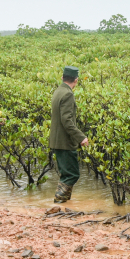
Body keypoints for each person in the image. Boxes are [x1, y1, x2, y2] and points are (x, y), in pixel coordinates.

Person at [49, 66, 88, 203]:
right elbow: (67, 121)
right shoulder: (68, 94)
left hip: (57, 141)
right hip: (64, 142)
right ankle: (59, 201)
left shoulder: (58, 91)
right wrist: (81, 137)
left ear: (62, 78)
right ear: (76, 80)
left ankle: (61, 204)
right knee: (71, 174)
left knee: (67, 173)